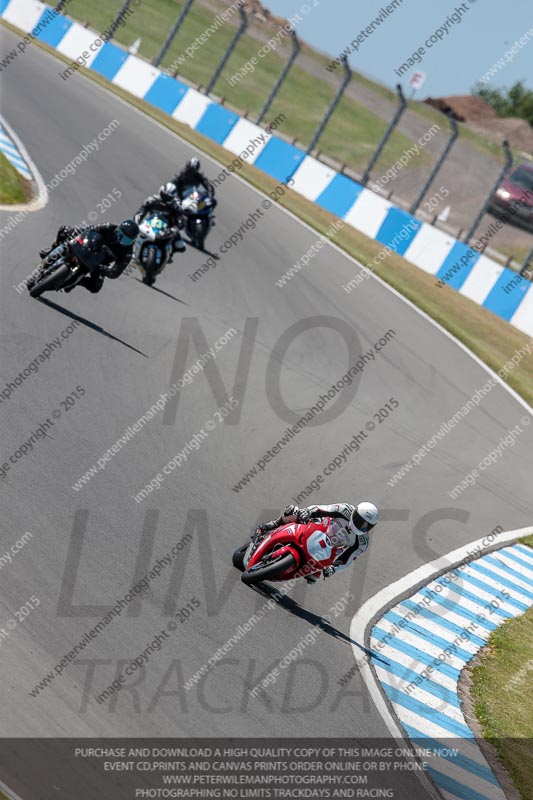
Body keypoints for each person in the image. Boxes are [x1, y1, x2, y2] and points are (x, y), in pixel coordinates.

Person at [256, 502, 379, 584]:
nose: (361, 526)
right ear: (355, 513)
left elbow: (347, 559)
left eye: (366, 525)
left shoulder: (362, 542)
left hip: (324, 553)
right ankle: (275, 524)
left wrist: (333, 569)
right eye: (359, 520)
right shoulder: (345, 510)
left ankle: (285, 569)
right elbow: (321, 509)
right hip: (317, 528)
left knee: (314, 577)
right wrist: (307, 512)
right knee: (293, 512)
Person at [30, 219, 139, 293]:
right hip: (88, 246)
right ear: (118, 230)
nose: (121, 241)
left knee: (95, 287)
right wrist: (75, 233)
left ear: (132, 241)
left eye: (126, 240)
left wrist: (103, 269)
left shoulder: (127, 253)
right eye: (121, 236)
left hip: (100, 262)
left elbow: (115, 272)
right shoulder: (108, 227)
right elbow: (88, 229)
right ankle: (53, 248)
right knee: (64, 230)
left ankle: (78, 281)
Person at [134, 182, 185, 262]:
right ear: (161, 192)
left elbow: (182, 220)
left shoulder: (176, 206)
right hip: (151, 223)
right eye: (164, 195)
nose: (165, 199)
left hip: (168, 228)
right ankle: (132, 249)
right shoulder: (151, 200)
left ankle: (170, 254)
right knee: (132, 229)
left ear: (173, 197)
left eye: (168, 197)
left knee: (180, 245)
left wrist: (174, 228)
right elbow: (140, 212)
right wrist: (136, 222)